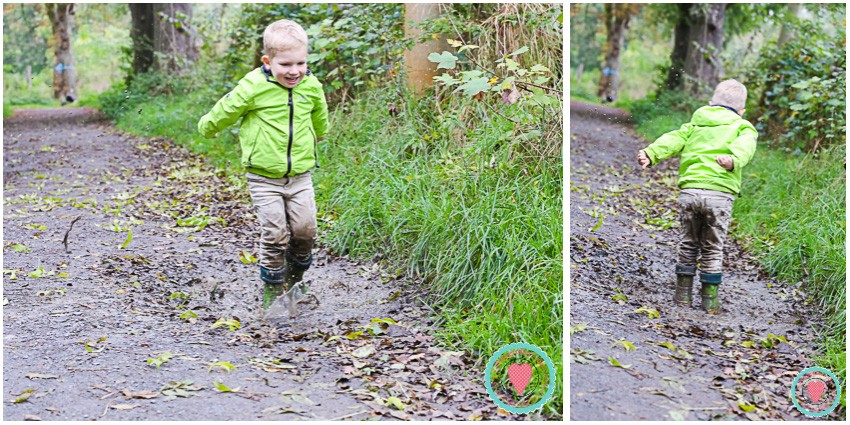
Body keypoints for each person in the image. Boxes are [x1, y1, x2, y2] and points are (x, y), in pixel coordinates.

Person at [198, 19, 329, 318]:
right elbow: (226, 108)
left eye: (301, 63)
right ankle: (272, 290)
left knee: (305, 231)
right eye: (286, 64)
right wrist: (208, 127)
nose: (295, 71)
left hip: (300, 176)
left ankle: (296, 282)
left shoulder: (311, 85)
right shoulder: (253, 87)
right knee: (275, 233)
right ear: (268, 62)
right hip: (263, 177)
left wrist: (320, 132)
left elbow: (319, 114)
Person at [636, 79, 757, 313]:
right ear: (742, 111)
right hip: (720, 194)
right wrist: (732, 160)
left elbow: (673, 139)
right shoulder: (743, 127)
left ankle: (682, 296)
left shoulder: (695, 124)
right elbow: (746, 147)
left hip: (690, 192)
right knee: (713, 247)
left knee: (688, 242)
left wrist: (651, 153)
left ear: (711, 103)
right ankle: (709, 301)